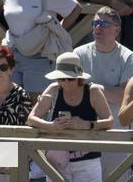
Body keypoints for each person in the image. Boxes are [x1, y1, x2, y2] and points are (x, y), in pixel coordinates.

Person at [2, 0, 80, 94]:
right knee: (13, 103)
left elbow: (75, 8)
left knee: (37, 106)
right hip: (12, 54)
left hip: (39, 56)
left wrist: (57, 29)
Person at [27, 52, 113, 181]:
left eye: (71, 78)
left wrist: (86, 124)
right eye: (62, 78)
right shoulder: (54, 90)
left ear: (79, 77)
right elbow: (31, 119)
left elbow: (109, 121)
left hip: (87, 161)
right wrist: (51, 126)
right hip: (58, 160)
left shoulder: (93, 91)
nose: (66, 82)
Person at [73, 6, 133, 178]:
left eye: (103, 23)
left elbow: (122, 95)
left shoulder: (128, 57)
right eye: (95, 22)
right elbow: (72, 91)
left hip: (116, 135)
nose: (97, 27)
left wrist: (93, 88)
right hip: (84, 133)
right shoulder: (78, 54)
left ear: (117, 30)